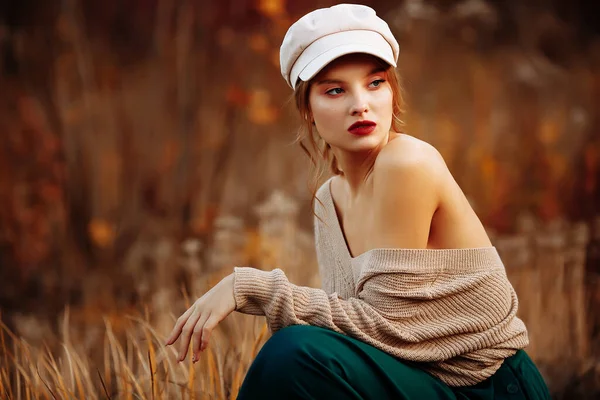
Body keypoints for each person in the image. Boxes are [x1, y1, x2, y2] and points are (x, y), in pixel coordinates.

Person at [165, 4, 551, 399]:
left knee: (293, 354)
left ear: (392, 91)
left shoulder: (407, 164)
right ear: (308, 110)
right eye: (335, 90)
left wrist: (251, 287)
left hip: (489, 386)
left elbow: (390, 329)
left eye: (375, 83)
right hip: (416, 377)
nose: (360, 104)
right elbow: (361, 334)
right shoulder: (327, 200)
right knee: (299, 355)